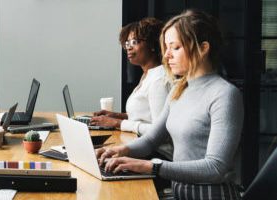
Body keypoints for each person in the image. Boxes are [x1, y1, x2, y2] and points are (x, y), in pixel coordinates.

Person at [96, 10, 244, 199]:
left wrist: (150, 166)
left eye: (175, 47)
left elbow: (215, 167)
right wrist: (120, 150)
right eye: (166, 47)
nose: (166, 56)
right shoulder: (178, 89)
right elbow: (151, 140)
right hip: (180, 193)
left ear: (203, 48)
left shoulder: (224, 94)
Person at [91, 17, 171, 137]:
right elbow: (145, 117)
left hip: (156, 152)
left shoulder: (158, 80)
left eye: (135, 42)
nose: (128, 47)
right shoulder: (147, 75)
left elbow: (160, 131)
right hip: (139, 142)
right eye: (127, 43)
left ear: (152, 44)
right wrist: (117, 116)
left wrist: (118, 123)